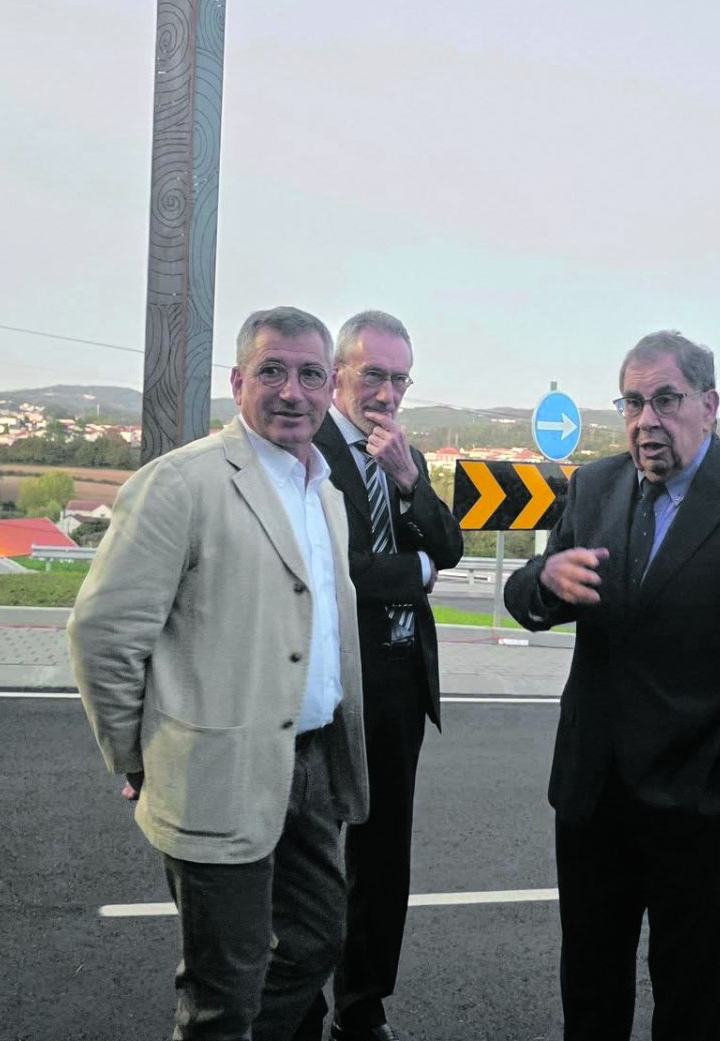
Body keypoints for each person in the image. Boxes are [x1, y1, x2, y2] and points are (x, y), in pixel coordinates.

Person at [503, 330, 720, 1041]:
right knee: (589, 986)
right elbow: (533, 595)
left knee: (689, 996)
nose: (648, 419)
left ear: (709, 405)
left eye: (666, 400)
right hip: (592, 795)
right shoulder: (594, 485)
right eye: (634, 402)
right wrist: (544, 581)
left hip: (699, 805)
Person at [69, 307, 369, 1041]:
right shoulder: (183, 484)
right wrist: (139, 754)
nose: (291, 391)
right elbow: (105, 632)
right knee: (223, 984)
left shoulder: (324, 492)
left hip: (310, 768)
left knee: (314, 941)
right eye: (272, 371)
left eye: (309, 374)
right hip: (216, 769)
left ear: (331, 388)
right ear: (238, 382)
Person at [300, 312, 464, 1041]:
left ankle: (362, 1006)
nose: (388, 393)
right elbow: (339, 572)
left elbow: (452, 544)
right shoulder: (308, 451)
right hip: (329, 681)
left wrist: (408, 482)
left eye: (400, 379)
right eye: (375, 375)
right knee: (308, 853)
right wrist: (417, 570)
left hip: (397, 682)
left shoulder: (407, 456)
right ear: (339, 374)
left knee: (383, 854)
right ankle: (299, 1004)